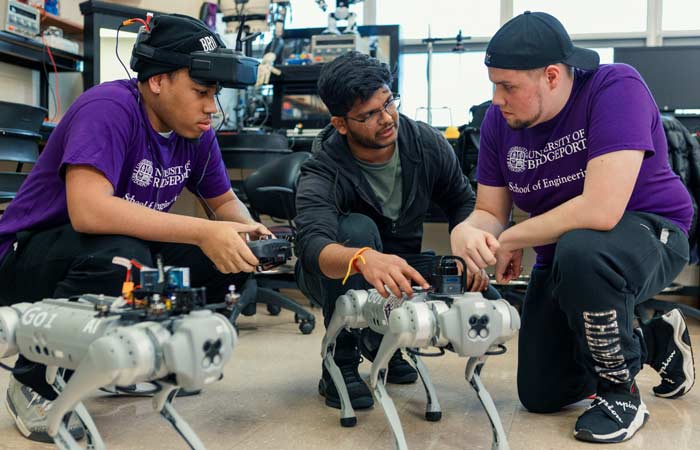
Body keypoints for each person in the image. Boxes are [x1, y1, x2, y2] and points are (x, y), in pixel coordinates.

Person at [0, 14, 270, 443]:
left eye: (213, 94)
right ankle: (34, 378)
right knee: (127, 259)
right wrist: (202, 230)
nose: (210, 107)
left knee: (230, 258)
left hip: (109, 249)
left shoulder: (196, 132)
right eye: (200, 92)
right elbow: (89, 212)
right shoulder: (108, 108)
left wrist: (250, 232)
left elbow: (223, 203)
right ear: (157, 81)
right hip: (27, 261)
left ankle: (130, 361)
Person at [450, 11, 695, 443]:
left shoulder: (615, 87)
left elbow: (601, 211)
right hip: (564, 254)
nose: (498, 98)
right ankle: (656, 341)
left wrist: (510, 238)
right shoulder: (497, 122)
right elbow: (490, 210)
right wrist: (467, 232)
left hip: (651, 233)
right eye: (494, 84)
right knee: (542, 393)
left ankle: (620, 395)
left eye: (508, 86)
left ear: (551, 76)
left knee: (583, 248)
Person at [294, 51, 497, 411]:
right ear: (341, 124)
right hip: (338, 272)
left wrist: (468, 250)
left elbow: (463, 202)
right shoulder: (322, 168)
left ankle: (384, 339)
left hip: (403, 266)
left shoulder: (426, 143)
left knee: (461, 278)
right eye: (369, 115)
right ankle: (339, 363)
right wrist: (362, 259)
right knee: (357, 229)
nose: (387, 119)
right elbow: (313, 246)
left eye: (389, 103)